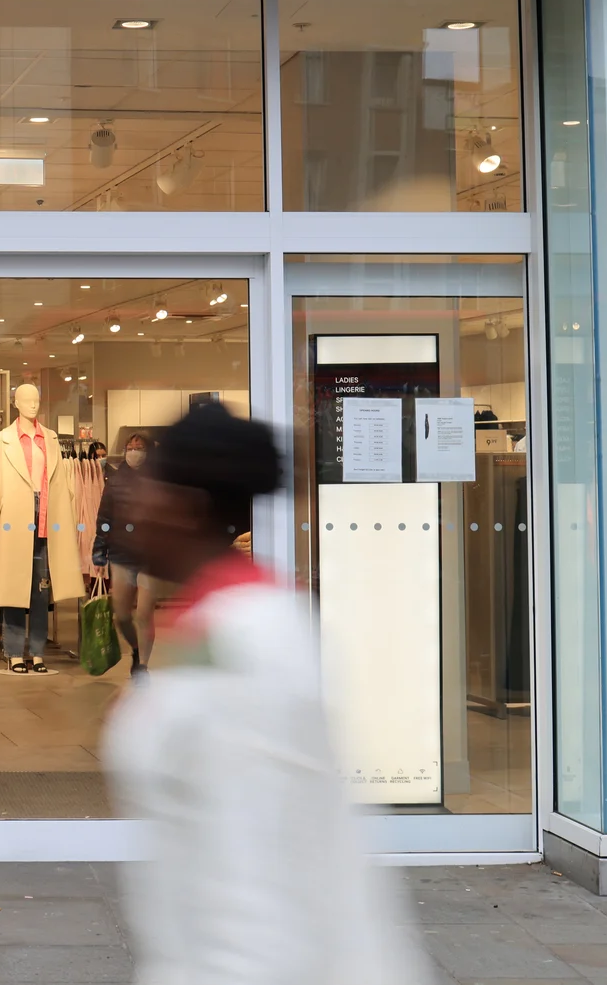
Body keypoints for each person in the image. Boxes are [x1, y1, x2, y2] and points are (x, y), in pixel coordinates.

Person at [103, 401, 428, 985]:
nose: (131, 503)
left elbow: (252, 893)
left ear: (186, 508)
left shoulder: (251, 640)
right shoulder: (223, 622)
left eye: (145, 487)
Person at [96, 431, 158, 676]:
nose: (134, 451)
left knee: (143, 614)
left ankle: (142, 665)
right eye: (130, 447)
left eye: (139, 447)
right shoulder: (116, 480)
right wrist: (99, 549)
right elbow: (104, 517)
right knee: (121, 615)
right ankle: (134, 649)